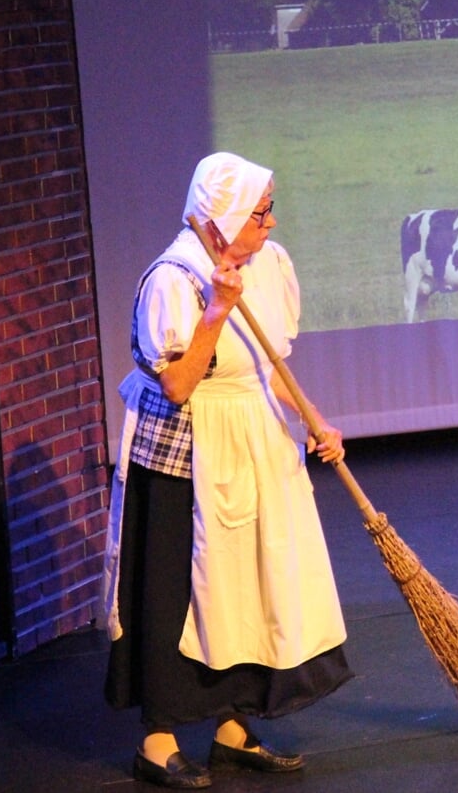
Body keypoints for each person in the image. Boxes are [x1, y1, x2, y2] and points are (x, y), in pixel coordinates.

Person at [100, 152, 353, 788]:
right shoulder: (174, 279)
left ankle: (232, 727)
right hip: (188, 452)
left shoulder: (267, 264)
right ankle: (158, 741)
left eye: (270, 210)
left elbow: (271, 369)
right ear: (226, 216)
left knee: (248, 586)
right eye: (261, 212)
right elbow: (181, 384)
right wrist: (216, 307)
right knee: (176, 595)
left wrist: (315, 417)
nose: (270, 222)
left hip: (255, 440)